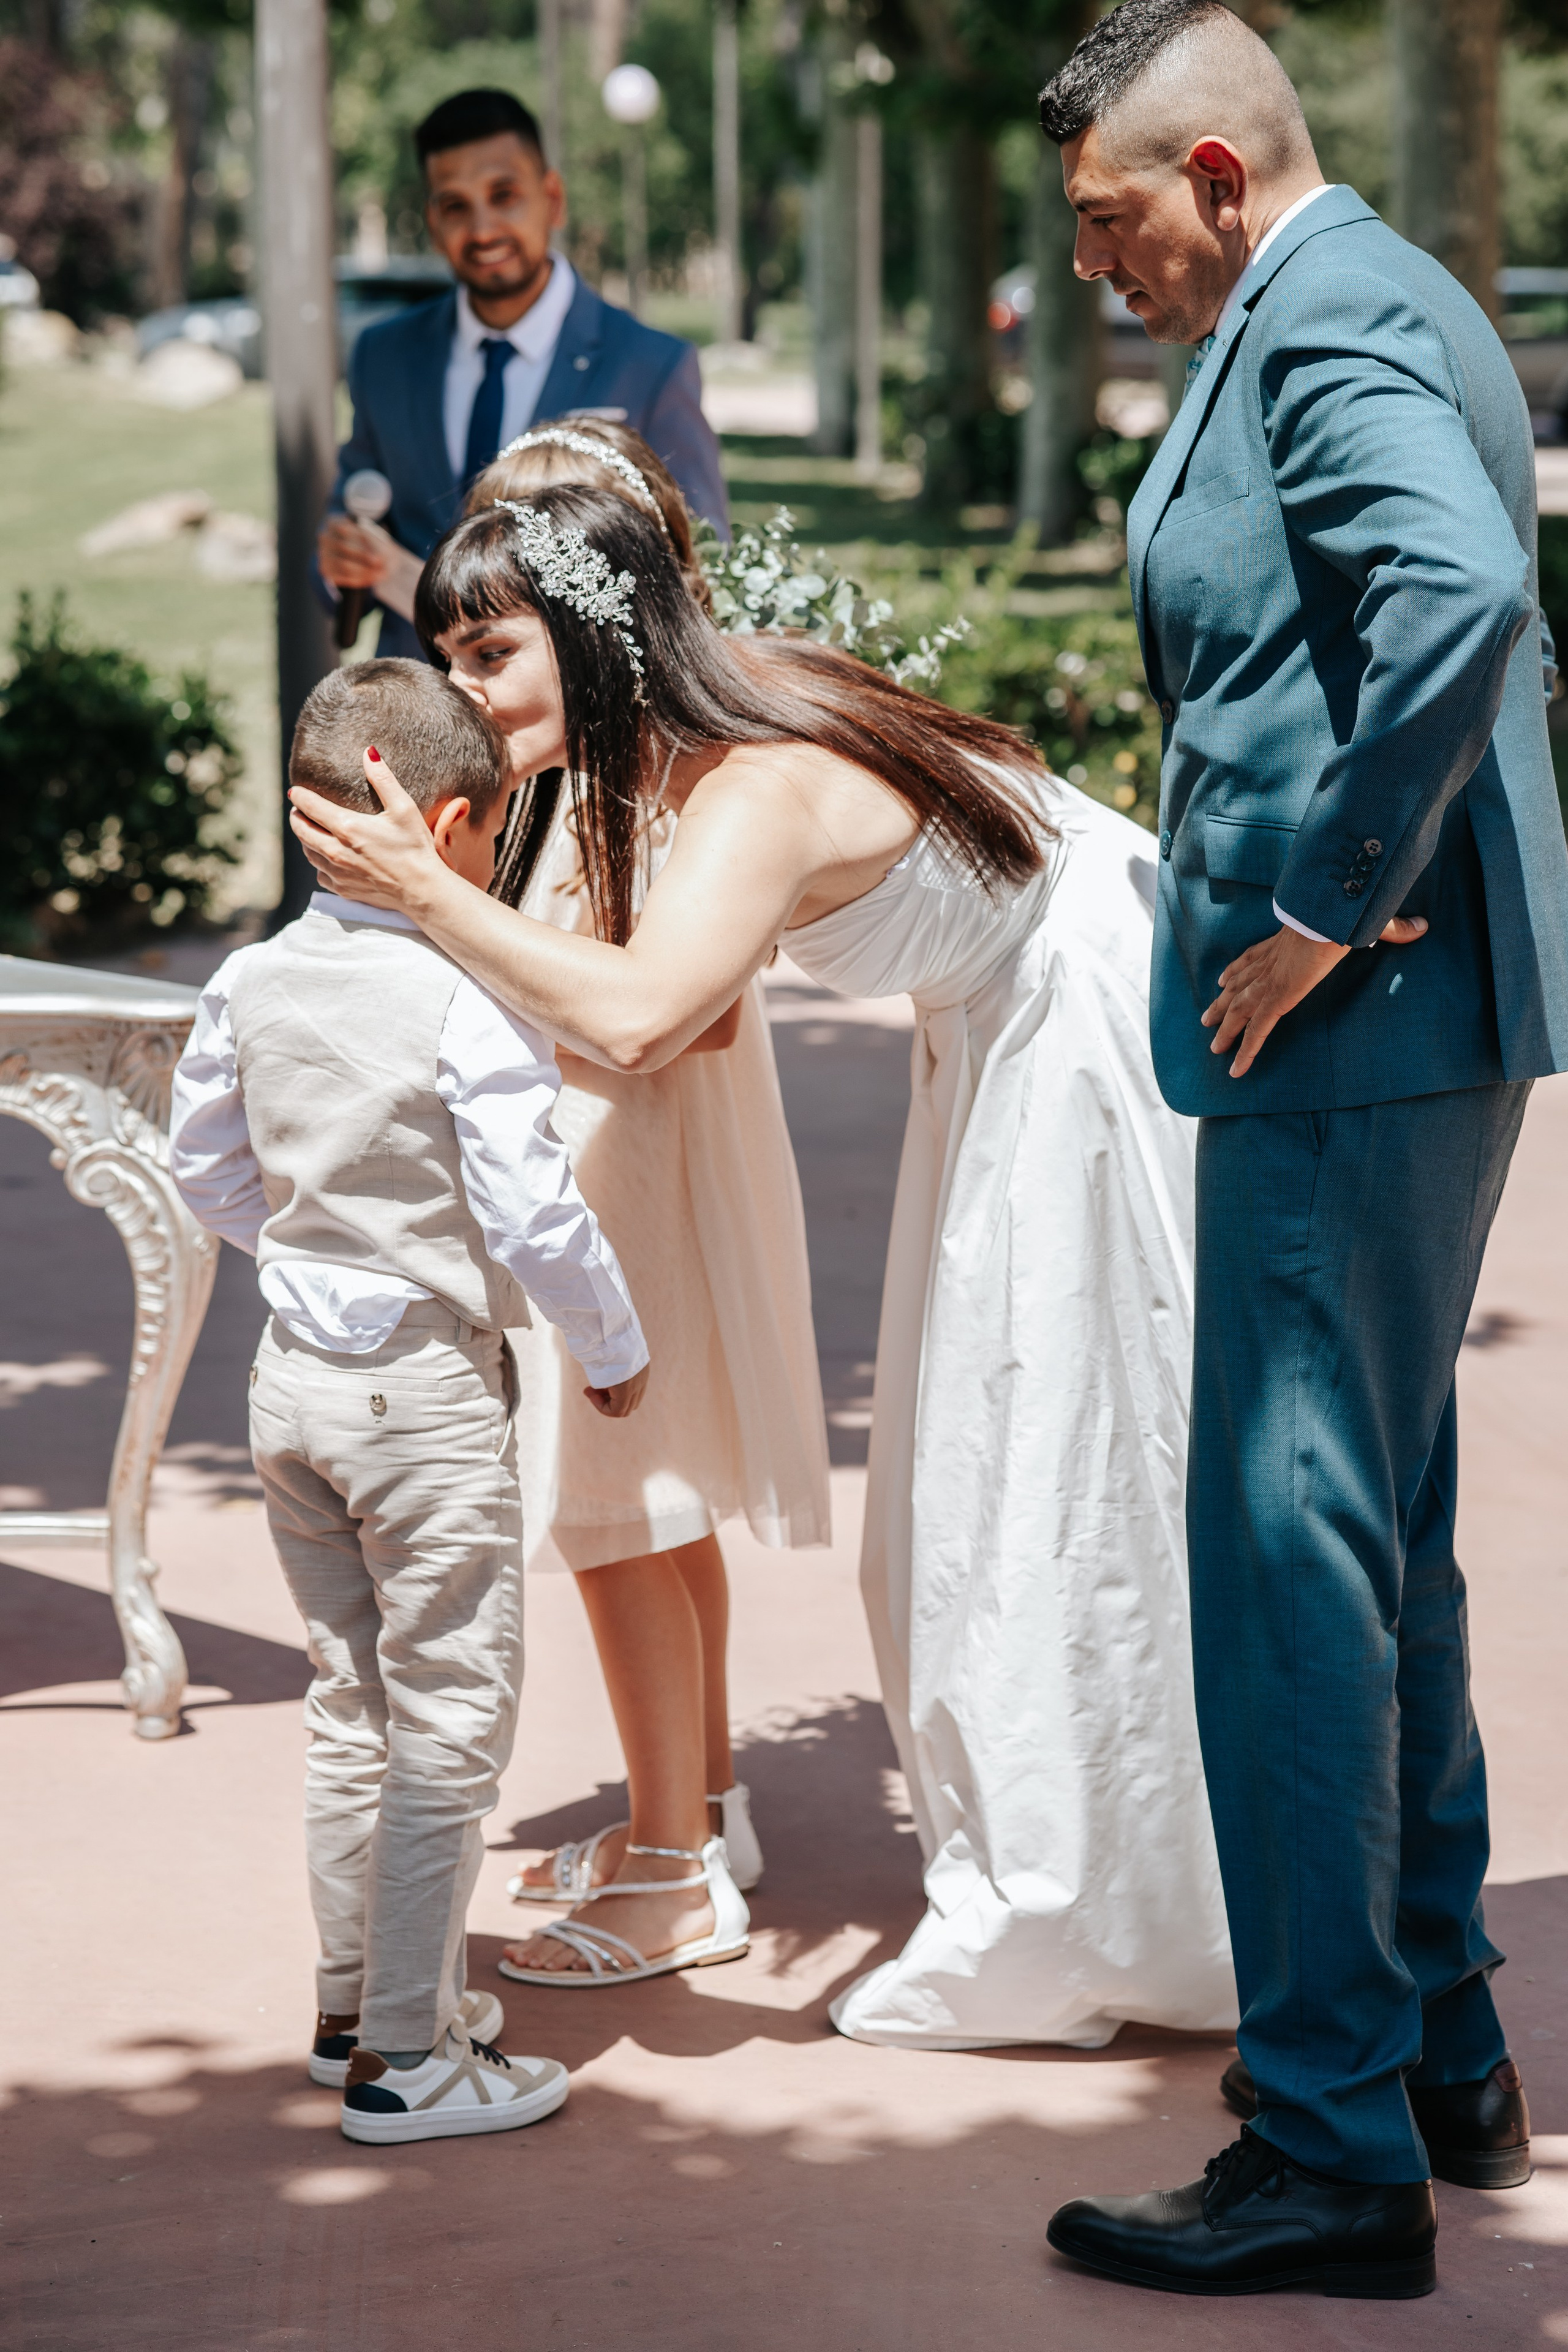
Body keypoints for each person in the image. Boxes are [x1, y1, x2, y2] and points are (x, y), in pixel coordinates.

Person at [286, 481, 1238, 2043]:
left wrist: (425, 893)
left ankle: (1097, 1908)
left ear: (593, 644)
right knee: (970, 1482)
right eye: (445, 656)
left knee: (1049, 1468)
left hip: (1076, 1029)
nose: (461, 691)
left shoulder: (744, 788)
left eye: (487, 653)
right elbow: (695, 1000)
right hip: (1003, 1027)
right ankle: (1081, 1875)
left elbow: (648, 1016)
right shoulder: (674, 756)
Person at [1035, 0, 1568, 2302]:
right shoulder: (1368, 289)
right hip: (1400, 1029)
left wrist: (1315, 901)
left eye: (1107, 222)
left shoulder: (1326, 310)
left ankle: (1323, 2134)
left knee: (1280, 1578)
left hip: (1346, 1021)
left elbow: (1455, 592)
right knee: (1378, 1550)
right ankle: (1434, 2051)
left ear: (1221, 178)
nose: (1091, 271)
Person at [168, 658, 671, 2138]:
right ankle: (411, 2058)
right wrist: (607, 1342)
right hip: (421, 1401)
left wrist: (318, 1249)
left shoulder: (247, 978)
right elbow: (531, 1212)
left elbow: (206, 1171)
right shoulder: (463, 997)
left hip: (290, 1387)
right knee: (449, 1717)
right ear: (451, 827)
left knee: (352, 1703)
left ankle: (351, 2005)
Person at [467, 421, 830, 1980]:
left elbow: (696, 1007)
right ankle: (701, 1800)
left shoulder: (658, 787)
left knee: (611, 1512)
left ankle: (675, 1872)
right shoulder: (583, 772)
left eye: (501, 634)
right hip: (612, 1161)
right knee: (655, 1507)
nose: (477, 674)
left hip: (627, 1175)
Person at [316, 87, 728, 661]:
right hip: (417, 713)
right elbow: (347, 526)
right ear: (433, 221)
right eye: (456, 206)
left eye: (504, 196)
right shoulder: (383, 356)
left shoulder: (651, 367)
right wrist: (341, 565)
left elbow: (703, 568)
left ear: (553, 198)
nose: (483, 230)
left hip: (580, 726)